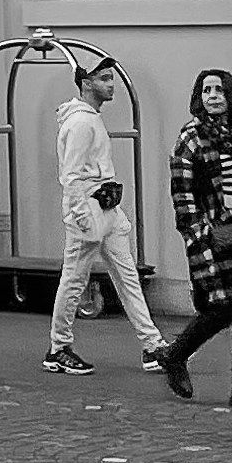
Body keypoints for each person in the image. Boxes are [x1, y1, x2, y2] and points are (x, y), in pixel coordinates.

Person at [46, 54, 164, 375]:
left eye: (111, 78)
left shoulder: (89, 119)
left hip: (104, 210)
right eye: (104, 79)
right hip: (90, 212)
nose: (111, 85)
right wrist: (84, 217)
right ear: (86, 83)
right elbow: (71, 176)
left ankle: (152, 344)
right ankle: (59, 347)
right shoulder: (83, 122)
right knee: (74, 280)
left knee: (125, 277)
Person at [157, 68, 232, 407]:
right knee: (223, 305)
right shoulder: (191, 138)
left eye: (219, 90)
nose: (213, 96)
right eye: (206, 91)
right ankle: (175, 355)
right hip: (213, 235)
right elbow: (183, 193)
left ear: (231, 94)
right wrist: (198, 234)